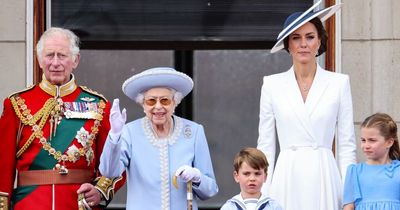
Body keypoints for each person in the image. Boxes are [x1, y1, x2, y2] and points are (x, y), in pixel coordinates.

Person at [0, 27, 124, 210]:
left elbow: (115, 159)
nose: (55, 63)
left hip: (79, 204)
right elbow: (3, 164)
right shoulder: (17, 103)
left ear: (75, 60)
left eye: (62, 55)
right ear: (39, 60)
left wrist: (99, 190)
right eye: (50, 55)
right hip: (30, 203)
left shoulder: (99, 105)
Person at [256, 1, 357, 210]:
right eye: (296, 38)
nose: (303, 44)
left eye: (310, 37)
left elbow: (347, 146)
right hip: (287, 176)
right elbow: (265, 147)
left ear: (319, 41)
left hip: (324, 176)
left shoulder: (339, 83)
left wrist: (349, 197)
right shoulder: (272, 85)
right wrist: (262, 196)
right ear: (288, 44)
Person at [99, 67, 219, 210]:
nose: (158, 107)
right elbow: (109, 172)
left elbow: (210, 190)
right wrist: (115, 135)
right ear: (143, 104)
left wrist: (197, 177)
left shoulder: (194, 131)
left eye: (165, 100)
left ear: (175, 102)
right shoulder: (129, 132)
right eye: (151, 101)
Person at [343, 113, 400, 210]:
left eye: (372, 140)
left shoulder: (398, 170)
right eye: (363, 140)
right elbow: (348, 206)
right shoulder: (354, 171)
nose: (366, 145)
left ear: (389, 142)